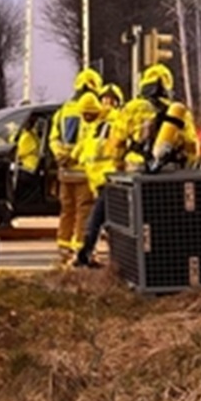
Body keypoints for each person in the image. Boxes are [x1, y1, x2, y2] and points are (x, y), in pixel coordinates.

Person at [109, 63, 199, 174]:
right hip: (169, 176)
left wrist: (118, 167)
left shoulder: (131, 108)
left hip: (136, 173)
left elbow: (116, 144)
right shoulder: (180, 112)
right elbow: (191, 146)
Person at [50, 68, 102, 257]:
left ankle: (63, 244)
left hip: (65, 171)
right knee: (84, 210)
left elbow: (53, 138)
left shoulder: (63, 111)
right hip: (83, 171)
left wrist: (60, 155)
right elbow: (90, 141)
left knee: (67, 209)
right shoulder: (92, 110)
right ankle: (80, 247)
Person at [72, 87, 123, 268]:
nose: (85, 118)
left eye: (88, 114)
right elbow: (85, 151)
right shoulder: (95, 126)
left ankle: (85, 256)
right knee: (107, 222)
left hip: (109, 180)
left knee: (97, 220)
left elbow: (111, 150)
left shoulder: (111, 124)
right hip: (101, 182)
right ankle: (93, 257)